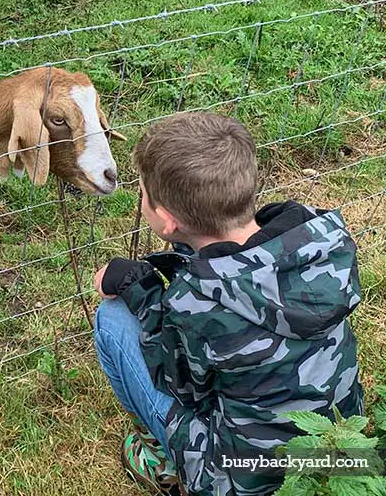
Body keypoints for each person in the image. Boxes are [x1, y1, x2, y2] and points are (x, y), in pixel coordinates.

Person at [92, 111, 363, 496]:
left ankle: (176, 469)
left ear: (168, 222)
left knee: (113, 319)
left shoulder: (196, 303)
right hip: (339, 453)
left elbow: (181, 387)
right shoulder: (321, 242)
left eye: (143, 195)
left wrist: (140, 288)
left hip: (242, 479)